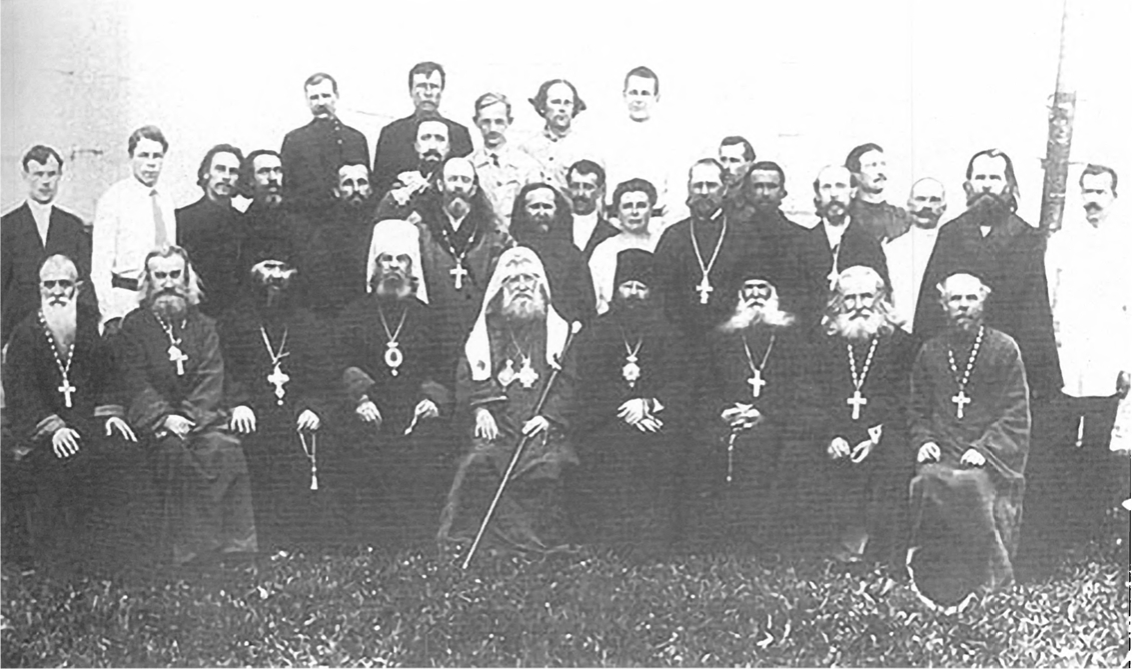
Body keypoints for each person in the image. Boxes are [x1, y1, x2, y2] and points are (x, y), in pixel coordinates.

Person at [117, 246, 257, 565]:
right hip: (155, 424)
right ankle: (193, 554)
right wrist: (164, 418)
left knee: (225, 449)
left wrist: (189, 418)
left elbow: (211, 376)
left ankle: (237, 550)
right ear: (148, 281)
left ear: (186, 278)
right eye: (160, 275)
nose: (168, 283)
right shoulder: (134, 327)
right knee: (175, 454)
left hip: (200, 419)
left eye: (174, 274)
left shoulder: (205, 326)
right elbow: (133, 380)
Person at [438, 246, 578, 555]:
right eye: (514, 280)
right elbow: (467, 374)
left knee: (547, 466)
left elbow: (568, 382)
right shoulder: (486, 330)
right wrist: (480, 408)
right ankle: (476, 539)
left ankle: (535, 541)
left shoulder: (558, 330)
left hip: (540, 425)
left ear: (541, 285)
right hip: (498, 423)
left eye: (529, 278)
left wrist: (548, 417)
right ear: (501, 287)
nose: (522, 286)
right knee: (479, 462)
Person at [907, 271, 1030, 612]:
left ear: (984, 301)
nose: (963, 305)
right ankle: (931, 574)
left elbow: (1015, 413)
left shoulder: (1004, 349)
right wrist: (924, 440)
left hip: (986, 456)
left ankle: (988, 579)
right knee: (926, 480)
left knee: (972, 485)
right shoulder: (930, 351)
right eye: (955, 299)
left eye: (971, 298)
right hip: (944, 452)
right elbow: (917, 409)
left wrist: (984, 449)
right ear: (942, 304)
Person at [2, 255, 137, 566]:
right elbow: (21, 393)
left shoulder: (89, 328)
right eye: (49, 284)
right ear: (40, 288)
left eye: (64, 284)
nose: (57, 292)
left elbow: (109, 376)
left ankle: (119, 558)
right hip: (42, 432)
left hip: (89, 423)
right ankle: (63, 563)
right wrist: (54, 428)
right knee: (63, 460)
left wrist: (112, 414)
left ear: (78, 287)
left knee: (126, 453)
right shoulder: (25, 334)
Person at [338, 219, 451, 545]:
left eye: (401, 259)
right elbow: (341, 362)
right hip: (371, 407)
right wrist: (361, 399)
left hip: (415, 408)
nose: (393, 266)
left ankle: (417, 535)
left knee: (428, 443)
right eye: (386, 259)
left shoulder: (429, 316)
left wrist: (432, 399)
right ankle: (368, 534)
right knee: (361, 441)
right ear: (375, 266)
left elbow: (444, 365)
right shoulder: (354, 314)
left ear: (411, 268)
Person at [913, 148, 1060, 398]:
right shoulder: (951, 233)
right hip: (954, 356)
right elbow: (930, 305)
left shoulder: (1026, 237)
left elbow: (1035, 313)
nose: (987, 185)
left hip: (1005, 361)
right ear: (968, 185)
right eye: (980, 178)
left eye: (995, 178)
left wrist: (1039, 378)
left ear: (1008, 186)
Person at [218, 242, 334, 550]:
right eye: (269, 267)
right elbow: (225, 370)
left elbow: (323, 374)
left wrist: (313, 407)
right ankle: (261, 540)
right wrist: (238, 403)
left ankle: (305, 540)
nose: (277, 276)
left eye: (284, 268)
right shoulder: (233, 321)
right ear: (252, 271)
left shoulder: (308, 323)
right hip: (251, 413)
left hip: (296, 411)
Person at [573, 249, 686, 555]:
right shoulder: (597, 331)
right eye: (628, 286)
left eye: (641, 287)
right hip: (604, 418)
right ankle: (610, 538)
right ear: (616, 288)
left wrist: (648, 404)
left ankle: (653, 539)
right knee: (613, 445)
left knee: (662, 445)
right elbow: (588, 382)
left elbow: (681, 382)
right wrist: (627, 408)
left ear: (652, 292)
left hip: (656, 416)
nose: (633, 294)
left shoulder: (669, 333)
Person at [802, 266, 915, 563]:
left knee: (896, 459)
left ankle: (878, 548)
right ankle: (820, 544)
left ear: (880, 298)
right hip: (833, 430)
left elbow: (905, 397)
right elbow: (811, 395)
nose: (859, 305)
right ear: (837, 302)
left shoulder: (901, 343)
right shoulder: (823, 342)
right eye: (849, 298)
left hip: (882, 430)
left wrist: (876, 438)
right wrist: (830, 436)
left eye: (866, 296)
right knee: (800, 453)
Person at [1044, 163, 1131, 541]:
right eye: (1088, 191)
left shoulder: (1126, 243)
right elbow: (1048, 299)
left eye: (1100, 192)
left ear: (1114, 196)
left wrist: (1127, 363)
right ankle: (1060, 522)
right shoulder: (1063, 241)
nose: (1092, 199)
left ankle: (1090, 523)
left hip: (1106, 360)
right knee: (1061, 442)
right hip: (1067, 358)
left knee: (1097, 442)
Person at [372, 156, 511, 379]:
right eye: (452, 179)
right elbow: (382, 229)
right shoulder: (420, 227)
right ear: (439, 184)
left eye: (465, 180)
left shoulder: (493, 233)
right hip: (431, 326)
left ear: (474, 188)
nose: (458, 186)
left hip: (477, 326)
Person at [698, 267, 807, 550]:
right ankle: (716, 536)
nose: (756, 294)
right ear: (739, 294)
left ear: (774, 293)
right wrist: (723, 411)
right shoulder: (722, 336)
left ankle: (760, 538)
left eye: (762, 287)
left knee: (761, 445)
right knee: (707, 444)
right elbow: (706, 385)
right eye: (749, 287)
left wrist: (764, 411)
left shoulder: (792, 334)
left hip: (775, 419)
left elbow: (799, 385)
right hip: (729, 418)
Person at [653, 159, 756, 340]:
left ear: (724, 189)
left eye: (711, 185)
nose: (704, 192)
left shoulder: (745, 235)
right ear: (689, 188)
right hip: (680, 339)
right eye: (698, 185)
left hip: (732, 338)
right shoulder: (674, 236)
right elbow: (660, 293)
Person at [2, 145, 91, 346]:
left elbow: (84, 282)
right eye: (38, 174)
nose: (45, 181)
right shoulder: (6, 228)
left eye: (51, 174)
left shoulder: (73, 226)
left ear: (60, 176)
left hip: (65, 333)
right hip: (17, 331)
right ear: (25, 176)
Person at [91, 125, 176, 332]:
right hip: (127, 299)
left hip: (161, 299)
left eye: (157, 156)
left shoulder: (165, 199)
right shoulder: (114, 199)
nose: (151, 163)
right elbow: (100, 265)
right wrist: (110, 314)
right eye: (144, 155)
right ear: (131, 157)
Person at [789, 165, 888, 331]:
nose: (834, 194)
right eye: (826, 187)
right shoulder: (801, 245)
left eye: (840, 186)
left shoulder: (868, 243)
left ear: (853, 191)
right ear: (817, 195)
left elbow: (880, 296)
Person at [372, 62, 474, 199]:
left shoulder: (459, 134)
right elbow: (380, 185)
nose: (428, 93)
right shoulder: (391, 134)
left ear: (441, 91)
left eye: (434, 86)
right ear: (411, 91)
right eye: (421, 86)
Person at [280, 72, 370, 212]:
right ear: (307, 101)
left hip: (351, 216)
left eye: (326, 96)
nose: (321, 103)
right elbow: (288, 189)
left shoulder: (355, 139)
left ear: (336, 96)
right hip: (309, 217)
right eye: (314, 98)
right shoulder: (294, 141)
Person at [509, 183, 596, 325]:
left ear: (557, 211)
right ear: (523, 211)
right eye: (534, 207)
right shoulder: (512, 252)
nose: (541, 213)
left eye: (547, 206)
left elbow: (585, 308)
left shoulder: (573, 256)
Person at [176, 144, 246, 317]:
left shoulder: (246, 223)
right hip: (193, 312)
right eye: (220, 169)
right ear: (206, 174)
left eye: (233, 172)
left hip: (235, 314)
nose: (226, 177)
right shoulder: (182, 219)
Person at [601, 67, 674, 225]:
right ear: (624, 95)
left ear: (656, 97)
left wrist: (664, 224)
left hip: (655, 221)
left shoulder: (668, 138)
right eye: (634, 93)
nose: (638, 100)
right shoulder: (607, 137)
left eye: (645, 93)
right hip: (615, 220)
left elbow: (673, 190)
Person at [305, 163, 375, 317]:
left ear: (370, 189)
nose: (356, 189)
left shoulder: (379, 230)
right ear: (336, 191)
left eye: (362, 183)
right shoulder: (324, 235)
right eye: (348, 183)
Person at [468, 92, 544, 231]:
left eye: (499, 122)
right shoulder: (468, 165)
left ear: (509, 121)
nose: (492, 129)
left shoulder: (528, 166)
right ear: (476, 122)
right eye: (486, 122)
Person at [589, 178, 663, 314]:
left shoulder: (663, 245)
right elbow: (596, 298)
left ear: (651, 209)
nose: (634, 212)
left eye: (641, 206)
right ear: (618, 212)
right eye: (627, 206)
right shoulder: (604, 250)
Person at [884, 177, 947, 332]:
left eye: (934, 200)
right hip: (901, 331)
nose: (926, 206)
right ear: (909, 204)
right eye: (920, 199)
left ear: (943, 207)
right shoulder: (892, 250)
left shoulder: (952, 248)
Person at [520, 79, 601, 193]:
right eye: (556, 102)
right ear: (542, 106)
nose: (562, 109)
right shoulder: (527, 148)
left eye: (567, 103)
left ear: (574, 108)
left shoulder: (586, 149)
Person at [373, 115, 451, 222]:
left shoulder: (457, 184)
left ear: (448, 148)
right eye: (426, 138)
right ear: (416, 146)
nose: (432, 146)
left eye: (440, 139)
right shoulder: (402, 184)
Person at [845, 143, 911, 242]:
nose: (880, 172)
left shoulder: (900, 217)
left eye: (883, 164)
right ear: (855, 175)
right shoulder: (847, 215)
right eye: (872, 165)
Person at [565, 159, 619, 259]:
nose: (580, 193)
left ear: (601, 191)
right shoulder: (555, 229)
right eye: (575, 186)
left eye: (588, 187)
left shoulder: (611, 234)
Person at [719, 136, 756, 221]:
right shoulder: (715, 196)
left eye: (734, 160)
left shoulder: (756, 203)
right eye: (723, 160)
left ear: (749, 165)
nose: (725, 166)